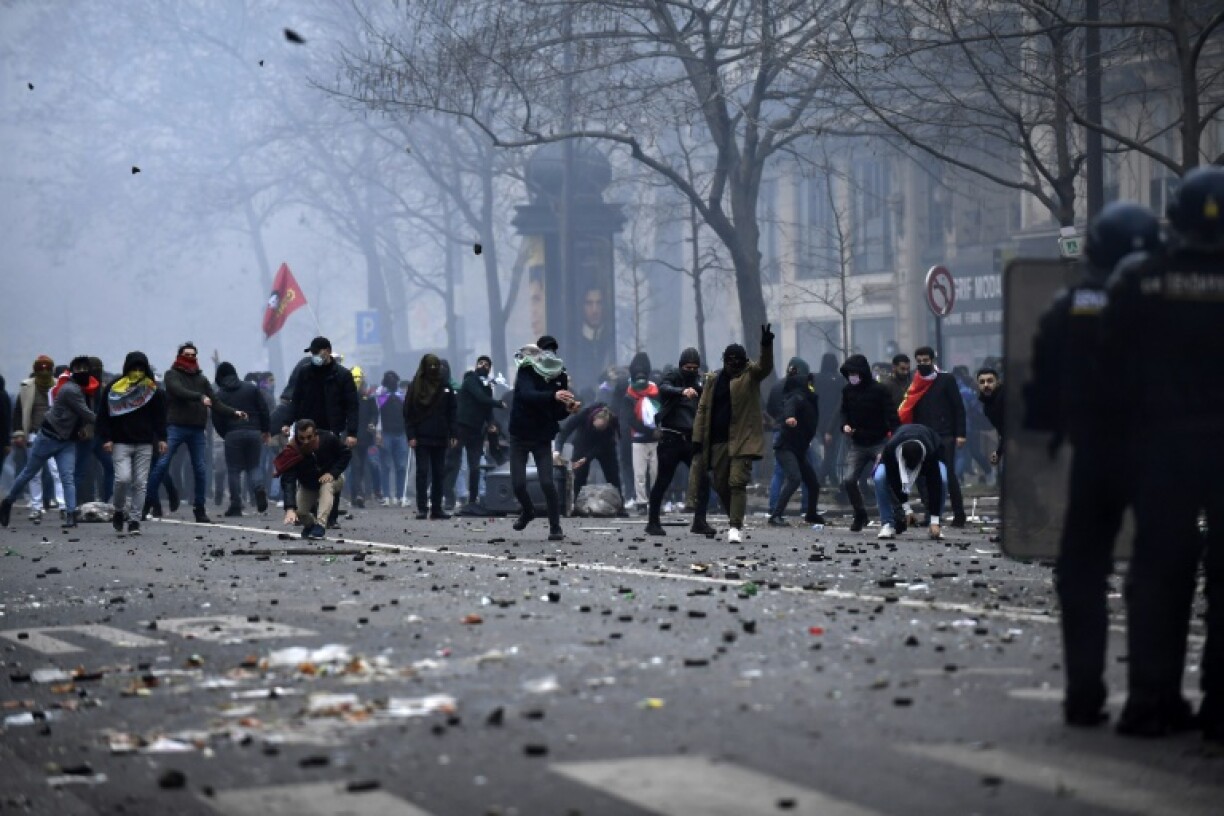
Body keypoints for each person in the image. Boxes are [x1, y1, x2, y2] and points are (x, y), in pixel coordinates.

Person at [1027, 200, 1164, 729]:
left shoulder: (1069, 307)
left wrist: (1051, 442)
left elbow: (1041, 398)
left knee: (1083, 571)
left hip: (1096, 456)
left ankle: (1084, 694)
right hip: (1164, 457)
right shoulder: (1168, 300)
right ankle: (1154, 699)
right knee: (1160, 571)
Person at [1101, 172, 1224, 740]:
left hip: (1163, 447)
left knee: (1159, 575)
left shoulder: (1140, 278)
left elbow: (1111, 368)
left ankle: (1151, 699)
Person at [145, 342, 246, 524]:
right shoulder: (171, 375)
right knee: (162, 464)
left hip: (197, 430)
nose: (190, 358)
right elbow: (178, 391)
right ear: (179, 356)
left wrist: (234, 412)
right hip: (176, 426)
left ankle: (199, 509)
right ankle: (148, 502)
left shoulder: (201, 379)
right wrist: (199, 397)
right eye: (187, 354)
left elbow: (215, 401)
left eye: (193, 355)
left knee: (200, 468)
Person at [691, 325, 774, 544]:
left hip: (743, 439)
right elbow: (702, 409)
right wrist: (697, 439)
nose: (734, 363)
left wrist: (766, 345)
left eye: (738, 359)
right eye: (730, 359)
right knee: (720, 484)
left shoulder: (751, 375)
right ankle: (734, 518)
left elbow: (765, 367)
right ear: (724, 360)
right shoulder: (713, 380)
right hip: (717, 440)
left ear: (744, 360)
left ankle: (735, 526)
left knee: (737, 482)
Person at [0, 357, 97, 529]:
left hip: (67, 440)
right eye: (78, 368)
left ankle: (70, 514)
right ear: (72, 371)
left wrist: (82, 429)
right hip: (48, 437)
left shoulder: (86, 390)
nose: (82, 371)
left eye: (85, 368)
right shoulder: (70, 390)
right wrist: (107, 423)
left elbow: (82, 416)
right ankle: (8, 502)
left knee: (67, 477)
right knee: (30, 472)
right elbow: (86, 413)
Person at [508, 336, 579, 541]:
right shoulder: (526, 369)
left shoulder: (560, 375)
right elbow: (527, 395)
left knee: (548, 482)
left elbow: (556, 412)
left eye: (553, 350)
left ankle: (555, 527)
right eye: (546, 349)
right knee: (518, 484)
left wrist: (568, 409)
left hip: (541, 436)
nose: (550, 353)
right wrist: (552, 396)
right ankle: (528, 511)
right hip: (520, 434)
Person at [97, 352, 166, 536]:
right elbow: (104, 415)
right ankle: (118, 510)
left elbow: (160, 417)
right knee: (122, 479)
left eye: (141, 369)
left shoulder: (152, 390)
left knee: (141, 483)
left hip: (145, 443)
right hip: (120, 442)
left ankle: (135, 520)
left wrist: (162, 438)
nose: (137, 372)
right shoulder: (114, 389)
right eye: (134, 369)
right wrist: (106, 439)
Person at [646, 348, 713, 537]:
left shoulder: (700, 382)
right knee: (663, 480)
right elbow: (663, 387)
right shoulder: (673, 376)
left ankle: (699, 521)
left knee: (704, 481)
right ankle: (653, 522)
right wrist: (682, 391)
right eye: (687, 367)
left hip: (691, 439)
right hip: (671, 439)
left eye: (694, 367)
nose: (691, 370)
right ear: (681, 366)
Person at [899, 346, 967, 527]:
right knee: (922, 476)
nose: (922, 364)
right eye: (919, 361)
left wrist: (960, 433)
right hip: (923, 435)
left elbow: (958, 407)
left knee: (948, 474)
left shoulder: (946, 380)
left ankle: (959, 513)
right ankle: (931, 514)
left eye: (925, 361)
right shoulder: (915, 383)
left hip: (945, 434)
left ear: (932, 360)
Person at [839, 353, 900, 532]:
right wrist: (845, 426)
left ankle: (898, 512)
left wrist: (893, 441)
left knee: (883, 479)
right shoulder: (847, 391)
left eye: (855, 373)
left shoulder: (879, 390)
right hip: (857, 443)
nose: (852, 376)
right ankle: (860, 514)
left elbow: (891, 416)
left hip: (879, 442)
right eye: (849, 373)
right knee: (849, 480)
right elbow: (843, 412)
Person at [275, 419, 351, 540]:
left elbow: (345, 454)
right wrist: (290, 508)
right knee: (299, 512)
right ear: (296, 437)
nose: (306, 441)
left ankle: (321, 524)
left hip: (333, 479)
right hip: (309, 484)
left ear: (316, 434)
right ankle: (311, 525)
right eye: (302, 438)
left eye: (309, 437)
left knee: (326, 485)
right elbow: (289, 481)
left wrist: (332, 473)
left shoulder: (328, 439)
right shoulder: (292, 451)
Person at [212, 362, 271, 517]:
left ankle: (236, 504)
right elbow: (263, 409)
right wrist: (265, 430)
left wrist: (226, 433)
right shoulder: (251, 388)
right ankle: (258, 488)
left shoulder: (220, 394)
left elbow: (216, 418)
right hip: (254, 432)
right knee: (254, 466)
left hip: (232, 433)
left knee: (234, 470)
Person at [403, 354, 458, 520]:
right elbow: (408, 412)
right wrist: (411, 435)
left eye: (436, 365)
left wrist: (453, 433)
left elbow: (452, 412)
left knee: (439, 473)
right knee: (422, 472)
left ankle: (436, 508)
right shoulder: (416, 386)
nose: (433, 369)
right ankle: (422, 508)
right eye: (430, 365)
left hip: (440, 436)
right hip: (421, 436)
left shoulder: (445, 386)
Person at [9, 355, 64, 520]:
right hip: (34, 434)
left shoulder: (59, 387)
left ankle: (63, 505)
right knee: (34, 473)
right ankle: (36, 506)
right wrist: (19, 432)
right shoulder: (27, 388)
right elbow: (19, 412)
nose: (44, 371)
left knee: (57, 471)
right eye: (41, 368)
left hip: (55, 434)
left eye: (47, 368)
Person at [769, 361, 823, 527]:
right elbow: (789, 406)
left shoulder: (807, 397)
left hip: (798, 449)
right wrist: (789, 417)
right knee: (794, 478)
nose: (811, 385)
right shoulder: (797, 396)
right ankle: (775, 515)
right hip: (786, 448)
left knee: (813, 483)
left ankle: (811, 514)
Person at [872, 424, 947, 541]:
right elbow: (894, 481)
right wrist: (907, 509)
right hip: (896, 453)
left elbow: (934, 485)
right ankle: (887, 524)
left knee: (943, 479)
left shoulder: (930, 452)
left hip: (929, 446)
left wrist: (934, 520)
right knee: (879, 478)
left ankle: (935, 526)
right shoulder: (890, 449)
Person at [455, 356, 504, 510]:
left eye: (487, 364)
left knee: (475, 466)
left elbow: (486, 407)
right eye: (480, 363)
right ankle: (450, 496)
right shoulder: (470, 380)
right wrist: (499, 403)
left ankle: (472, 499)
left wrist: (491, 424)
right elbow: (481, 398)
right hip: (462, 427)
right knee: (455, 463)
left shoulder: (487, 385)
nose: (483, 366)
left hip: (476, 430)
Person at [558, 402, 621, 498]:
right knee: (579, 476)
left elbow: (602, 446)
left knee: (613, 475)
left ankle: (620, 503)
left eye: (602, 428)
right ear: (593, 419)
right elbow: (564, 431)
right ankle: (576, 503)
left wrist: (587, 458)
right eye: (597, 427)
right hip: (583, 442)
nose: (598, 430)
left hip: (605, 446)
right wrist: (557, 450)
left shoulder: (611, 424)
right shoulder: (582, 415)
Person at [624, 352, 661, 516]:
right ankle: (641, 502)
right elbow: (630, 419)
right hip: (639, 438)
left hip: (654, 438)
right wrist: (651, 431)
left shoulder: (655, 390)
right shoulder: (629, 394)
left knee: (655, 472)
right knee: (639, 473)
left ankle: (655, 500)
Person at [376, 371, 409, 506]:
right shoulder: (381, 397)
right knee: (386, 466)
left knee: (401, 466)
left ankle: (400, 495)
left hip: (401, 434)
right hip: (386, 434)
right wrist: (378, 433)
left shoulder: (402, 397)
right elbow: (377, 415)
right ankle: (387, 496)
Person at [347, 366, 378, 509]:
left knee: (362, 466)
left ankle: (356, 495)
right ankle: (359, 494)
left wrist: (372, 423)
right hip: (349, 437)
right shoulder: (345, 396)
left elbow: (374, 413)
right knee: (356, 465)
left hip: (364, 438)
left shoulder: (368, 397)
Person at [813, 352, 844, 486]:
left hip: (819, 420)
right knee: (832, 451)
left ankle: (832, 478)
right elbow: (841, 402)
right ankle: (821, 479)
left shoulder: (815, 379)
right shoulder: (839, 380)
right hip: (835, 420)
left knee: (828, 450)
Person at [975, 368, 1004, 469]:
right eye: (982, 382)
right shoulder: (988, 406)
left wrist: (999, 451)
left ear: (998, 382)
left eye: (990, 381)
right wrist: (999, 452)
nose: (986, 385)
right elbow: (1004, 431)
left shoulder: (1004, 397)